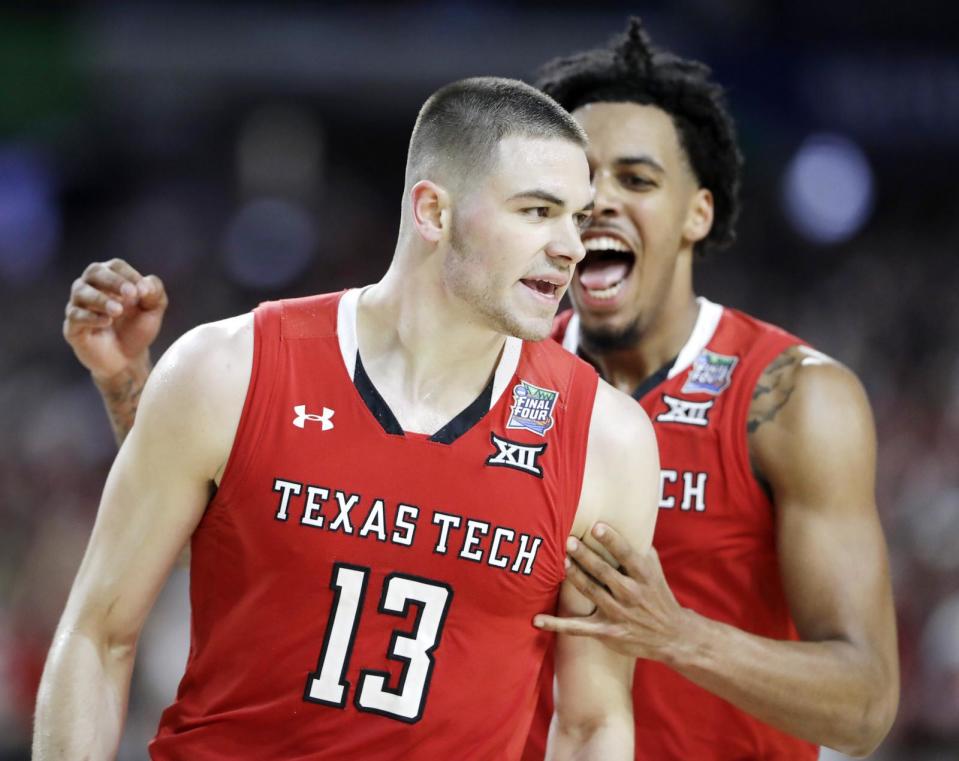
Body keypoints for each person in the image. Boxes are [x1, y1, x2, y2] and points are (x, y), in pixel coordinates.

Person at [60, 20, 901, 761]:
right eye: (555, 205)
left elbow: (846, 708)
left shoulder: (738, 407)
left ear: (697, 213)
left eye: (621, 190)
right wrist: (142, 391)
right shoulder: (256, 359)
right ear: (437, 209)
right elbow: (267, 489)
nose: (584, 231)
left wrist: (679, 636)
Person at [35, 77, 661, 760]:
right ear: (432, 211)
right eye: (537, 211)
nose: (571, 245)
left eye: (578, 217)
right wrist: (130, 384)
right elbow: (98, 635)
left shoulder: (607, 439)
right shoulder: (227, 367)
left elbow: (591, 722)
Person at [525, 19, 899, 760]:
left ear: (698, 212)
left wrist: (674, 634)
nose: (598, 201)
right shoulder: (498, 375)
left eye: (635, 179)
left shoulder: (793, 397)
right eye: (578, 179)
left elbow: (865, 704)